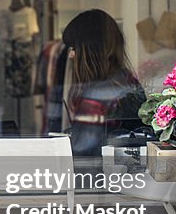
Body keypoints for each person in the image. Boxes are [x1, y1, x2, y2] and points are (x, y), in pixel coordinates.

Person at [60, 9, 146, 157]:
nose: (71, 55)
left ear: (90, 51)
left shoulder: (95, 97)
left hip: (97, 176)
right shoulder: (128, 82)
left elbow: (83, 155)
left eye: (74, 48)